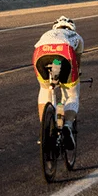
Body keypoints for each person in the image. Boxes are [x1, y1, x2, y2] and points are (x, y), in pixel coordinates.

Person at [33, 16, 84, 149]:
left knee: (44, 89)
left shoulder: (46, 34)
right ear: (72, 27)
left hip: (41, 54)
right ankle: (67, 124)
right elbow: (77, 64)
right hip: (65, 53)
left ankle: (44, 128)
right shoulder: (76, 36)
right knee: (72, 94)